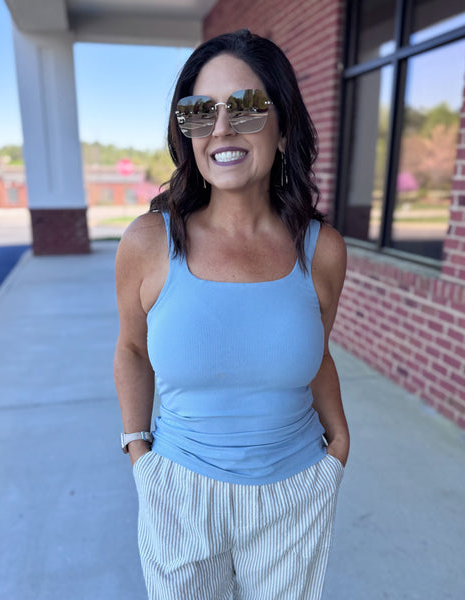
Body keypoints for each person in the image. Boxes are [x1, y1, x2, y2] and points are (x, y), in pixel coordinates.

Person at [114, 29, 350, 600]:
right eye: (200, 111)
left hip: (295, 495)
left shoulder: (321, 250)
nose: (221, 128)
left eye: (245, 107)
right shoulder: (149, 242)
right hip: (180, 496)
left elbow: (315, 352)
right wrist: (139, 452)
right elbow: (132, 349)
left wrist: (339, 444)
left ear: (283, 126)